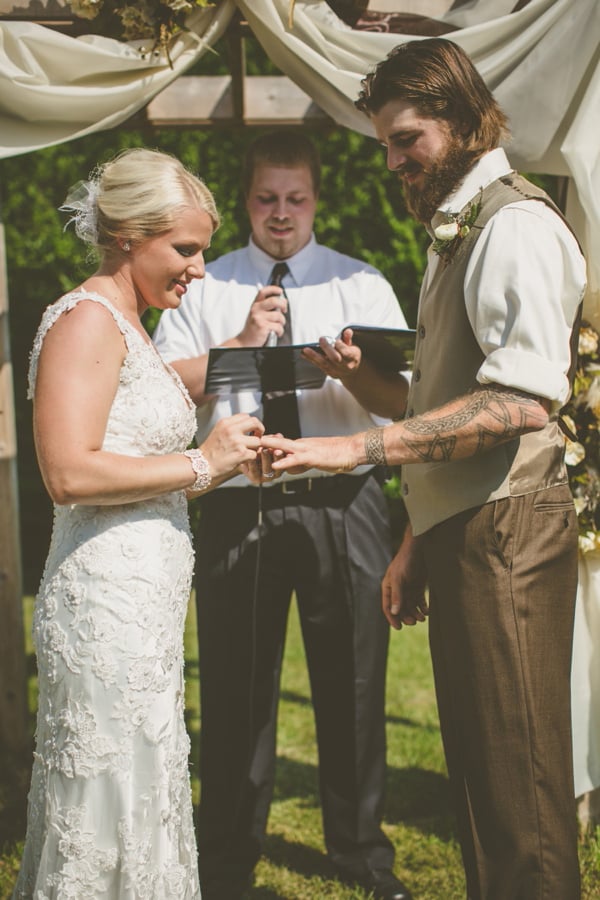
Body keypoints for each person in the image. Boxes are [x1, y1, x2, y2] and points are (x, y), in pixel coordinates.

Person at [261, 39, 587, 900]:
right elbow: (436, 407)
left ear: (464, 116)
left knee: (524, 795)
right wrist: (415, 538)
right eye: (386, 146)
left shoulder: (514, 227)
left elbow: (519, 403)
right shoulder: (461, 229)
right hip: (466, 532)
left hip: (511, 532)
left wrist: (354, 447)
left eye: (408, 140)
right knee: (482, 784)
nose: (397, 163)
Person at [153, 130, 413, 900]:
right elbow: (161, 395)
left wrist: (357, 378)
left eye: (295, 199)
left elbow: (403, 408)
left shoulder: (359, 283)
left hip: (346, 501)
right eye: (266, 198)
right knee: (235, 685)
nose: (280, 214)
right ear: (245, 199)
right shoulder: (203, 287)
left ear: (317, 199)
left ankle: (362, 855)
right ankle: (227, 859)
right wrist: (240, 343)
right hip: (240, 504)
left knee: (357, 687)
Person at [13, 147, 268, 900]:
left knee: (143, 784)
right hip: (102, 608)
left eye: (202, 251)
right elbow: (68, 471)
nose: (198, 270)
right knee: (107, 794)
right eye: (184, 249)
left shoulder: (132, 323)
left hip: (143, 607)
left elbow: (153, 394)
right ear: (126, 234)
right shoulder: (87, 321)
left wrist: (250, 356)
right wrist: (204, 463)